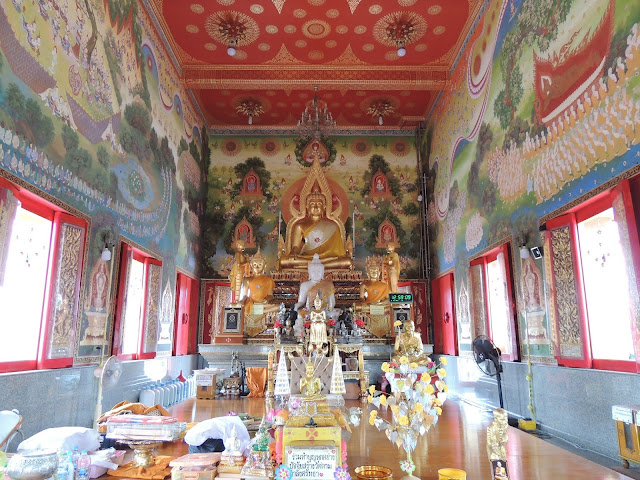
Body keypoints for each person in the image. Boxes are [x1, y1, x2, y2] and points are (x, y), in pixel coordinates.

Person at [278, 190, 352, 269]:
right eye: (312, 204)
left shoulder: (333, 226)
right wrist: (293, 253)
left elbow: (339, 253)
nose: (316, 207)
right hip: (308, 257)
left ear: (324, 207)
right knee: (284, 261)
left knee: (347, 262)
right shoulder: (299, 226)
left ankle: (314, 265)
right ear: (307, 206)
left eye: (319, 204)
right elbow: (295, 247)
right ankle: (320, 265)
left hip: (327, 258)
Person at [229, 240, 248, 306]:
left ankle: (239, 300)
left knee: (241, 286)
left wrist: (246, 260)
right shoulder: (237, 253)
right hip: (238, 271)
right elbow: (238, 264)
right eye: (242, 244)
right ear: (238, 245)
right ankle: (236, 301)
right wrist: (246, 262)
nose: (244, 246)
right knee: (238, 286)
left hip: (241, 271)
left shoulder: (241, 254)